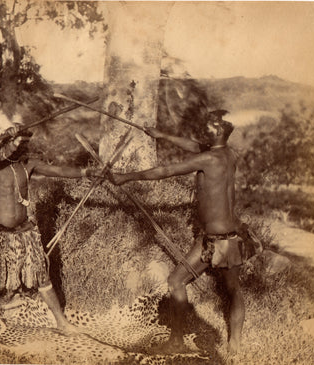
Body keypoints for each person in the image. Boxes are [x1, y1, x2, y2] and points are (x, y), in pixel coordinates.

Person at [109, 111, 260, 355]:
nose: (203, 131)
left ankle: (183, 341)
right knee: (233, 290)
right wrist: (161, 135)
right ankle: (235, 344)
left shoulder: (209, 159)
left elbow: (165, 171)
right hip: (226, 237)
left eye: (208, 127)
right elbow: (195, 145)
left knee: (177, 281)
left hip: (221, 241)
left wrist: (126, 177)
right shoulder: (229, 154)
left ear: (219, 131)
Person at [0, 125, 98, 334]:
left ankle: (61, 323)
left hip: (26, 233)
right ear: (7, 142)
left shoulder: (28, 165)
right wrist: (4, 136)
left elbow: (59, 171)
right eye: (17, 142)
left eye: (24, 143)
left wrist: (86, 172)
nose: (21, 146)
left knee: (42, 276)